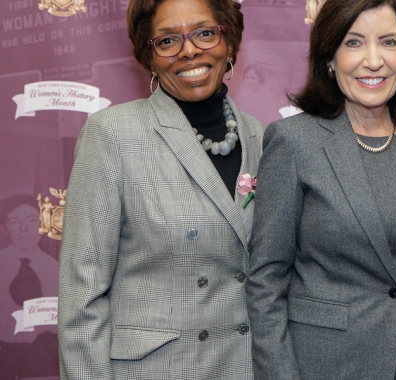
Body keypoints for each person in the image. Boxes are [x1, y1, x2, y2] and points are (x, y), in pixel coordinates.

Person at [246, 0, 396, 379]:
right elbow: (266, 280)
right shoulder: (294, 141)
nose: (373, 61)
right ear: (330, 57)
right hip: (325, 365)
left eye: (389, 42)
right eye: (354, 42)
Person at [57, 0, 264, 378]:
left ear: (229, 42)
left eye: (205, 33)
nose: (189, 50)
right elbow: (81, 298)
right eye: (168, 40)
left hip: (245, 366)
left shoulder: (262, 138)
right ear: (149, 56)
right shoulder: (112, 135)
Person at [0, 195, 60, 378]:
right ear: (4, 230)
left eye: (32, 220)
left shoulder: (55, 268)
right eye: (14, 222)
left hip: (43, 361)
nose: (24, 229)